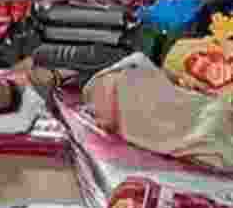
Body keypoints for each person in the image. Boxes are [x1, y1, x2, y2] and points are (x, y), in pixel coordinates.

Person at [29, 51, 232, 169]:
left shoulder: (112, 74)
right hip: (180, 113)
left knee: (209, 121)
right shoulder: (103, 86)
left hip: (183, 108)